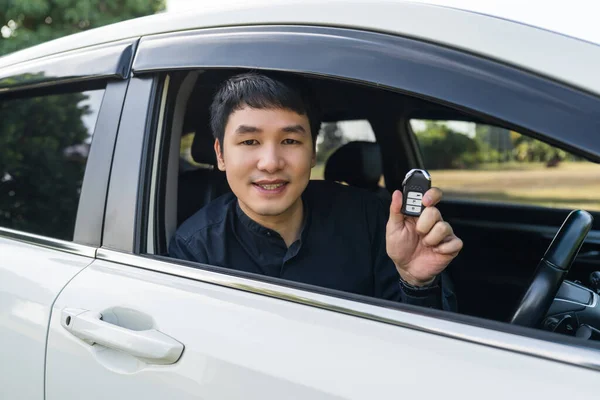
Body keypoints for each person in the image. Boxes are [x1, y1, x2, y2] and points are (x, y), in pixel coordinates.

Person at [169, 72, 462, 310]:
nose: (271, 163)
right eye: (249, 142)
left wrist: (416, 283)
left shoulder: (369, 218)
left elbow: (423, 351)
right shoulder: (195, 249)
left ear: (312, 152)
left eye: (290, 141)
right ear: (220, 154)